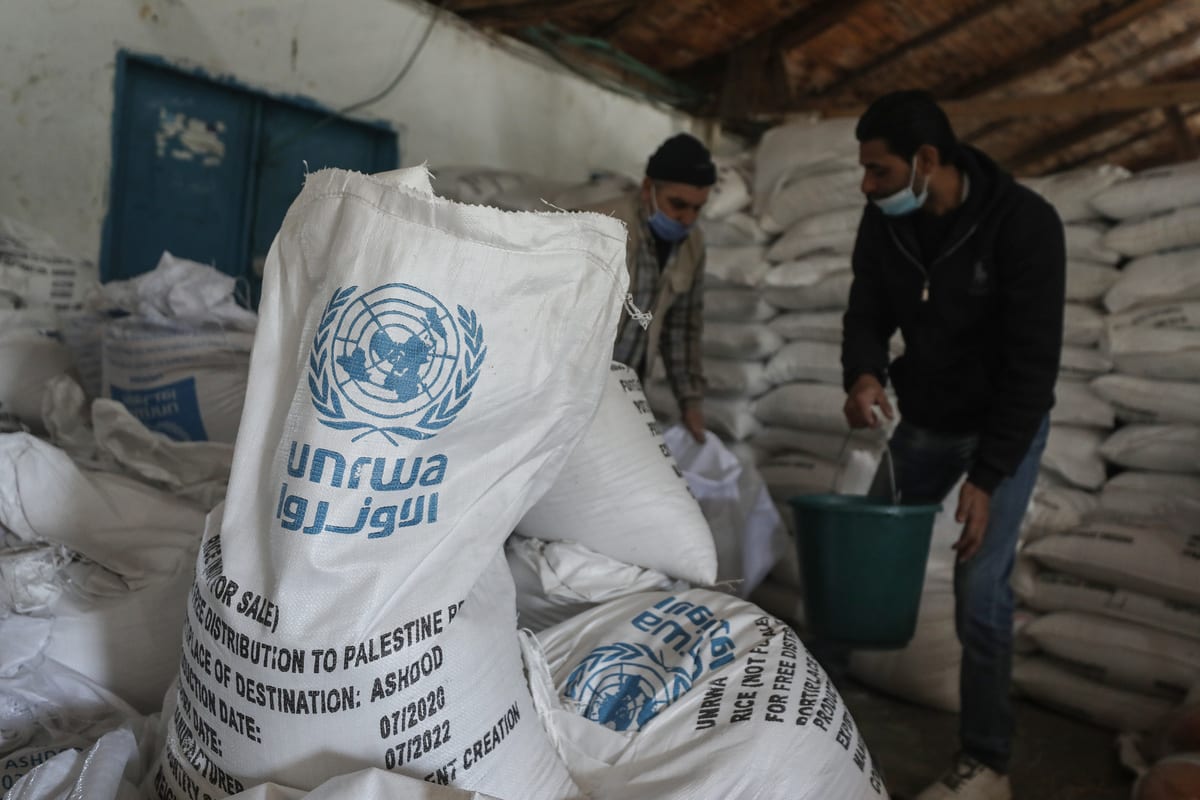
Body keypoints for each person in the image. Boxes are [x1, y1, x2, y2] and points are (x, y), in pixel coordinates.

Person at [841, 91, 1065, 800]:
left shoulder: (1025, 226)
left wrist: (989, 477)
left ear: (926, 161)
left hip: (1004, 431)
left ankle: (987, 760)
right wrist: (865, 371)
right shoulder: (885, 224)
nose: (866, 185)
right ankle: (815, 713)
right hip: (926, 422)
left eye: (878, 170)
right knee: (862, 560)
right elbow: (867, 308)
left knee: (979, 589)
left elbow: (1034, 368)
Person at [582, 133, 714, 443]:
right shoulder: (602, 226)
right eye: (678, 205)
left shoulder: (692, 245)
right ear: (647, 189)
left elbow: (682, 328)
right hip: (578, 385)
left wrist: (690, 402)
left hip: (627, 388)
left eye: (698, 208)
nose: (687, 218)